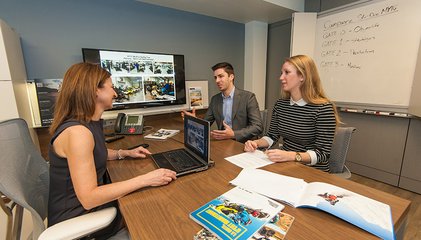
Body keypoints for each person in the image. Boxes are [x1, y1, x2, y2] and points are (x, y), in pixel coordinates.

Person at [48, 63, 177, 239]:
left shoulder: (87, 123)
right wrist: (146, 179)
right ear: (95, 91)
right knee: (156, 214)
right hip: (79, 218)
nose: (116, 93)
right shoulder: (78, 133)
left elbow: (94, 153)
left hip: (83, 208)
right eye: (111, 87)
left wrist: (123, 153)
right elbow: (89, 198)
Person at [244, 55, 340, 172]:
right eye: (281, 73)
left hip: (313, 171)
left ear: (302, 76)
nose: (281, 77)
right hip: (286, 165)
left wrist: (290, 156)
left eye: (287, 72)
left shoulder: (323, 109)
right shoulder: (280, 104)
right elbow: (271, 136)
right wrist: (256, 143)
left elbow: (322, 154)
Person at [182, 62, 263, 143]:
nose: (217, 80)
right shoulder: (215, 99)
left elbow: (257, 127)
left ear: (231, 77)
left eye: (221, 76)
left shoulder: (248, 97)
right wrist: (194, 120)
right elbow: (206, 123)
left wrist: (233, 134)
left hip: (243, 144)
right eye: (215, 77)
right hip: (223, 142)